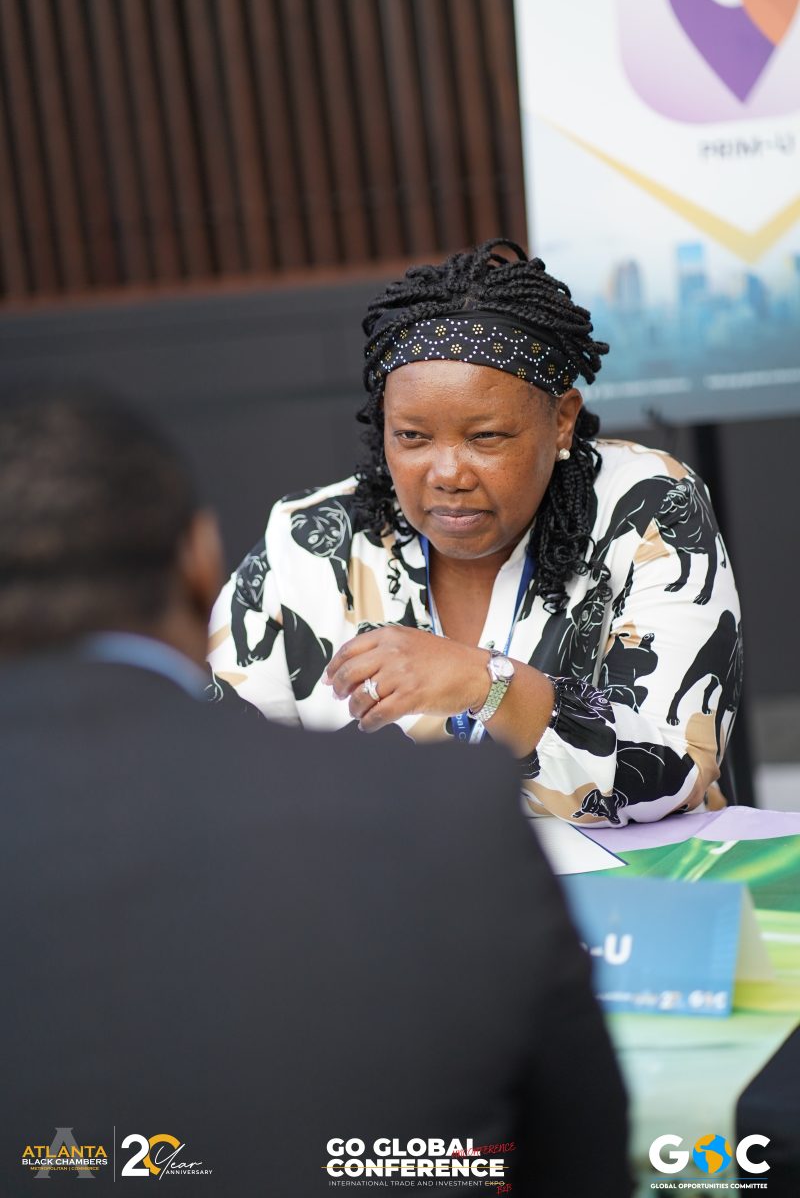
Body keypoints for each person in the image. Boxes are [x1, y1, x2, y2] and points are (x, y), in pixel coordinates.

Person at [0, 393, 631, 1195]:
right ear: (201, 561)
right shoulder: (442, 809)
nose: (448, 473)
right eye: (411, 436)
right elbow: (580, 1155)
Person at [209, 239, 742, 828]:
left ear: (562, 420)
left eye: (485, 437)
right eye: (412, 437)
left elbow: (675, 769)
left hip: (640, 878)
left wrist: (482, 682)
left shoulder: (646, 506)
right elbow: (216, 762)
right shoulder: (310, 539)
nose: (448, 474)